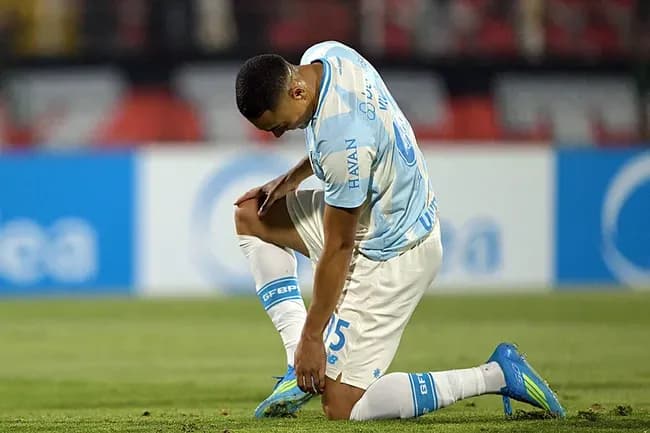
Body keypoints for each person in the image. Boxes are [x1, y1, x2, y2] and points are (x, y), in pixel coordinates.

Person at [233, 40, 565, 421]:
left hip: (396, 251)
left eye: (278, 125)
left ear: (297, 91)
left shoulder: (343, 146)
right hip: (377, 214)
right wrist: (293, 177)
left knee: (342, 406)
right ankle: (298, 368)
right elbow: (348, 135)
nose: (278, 135)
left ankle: (498, 374)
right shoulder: (326, 55)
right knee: (250, 216)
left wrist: (312, 336)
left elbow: (339, 246)